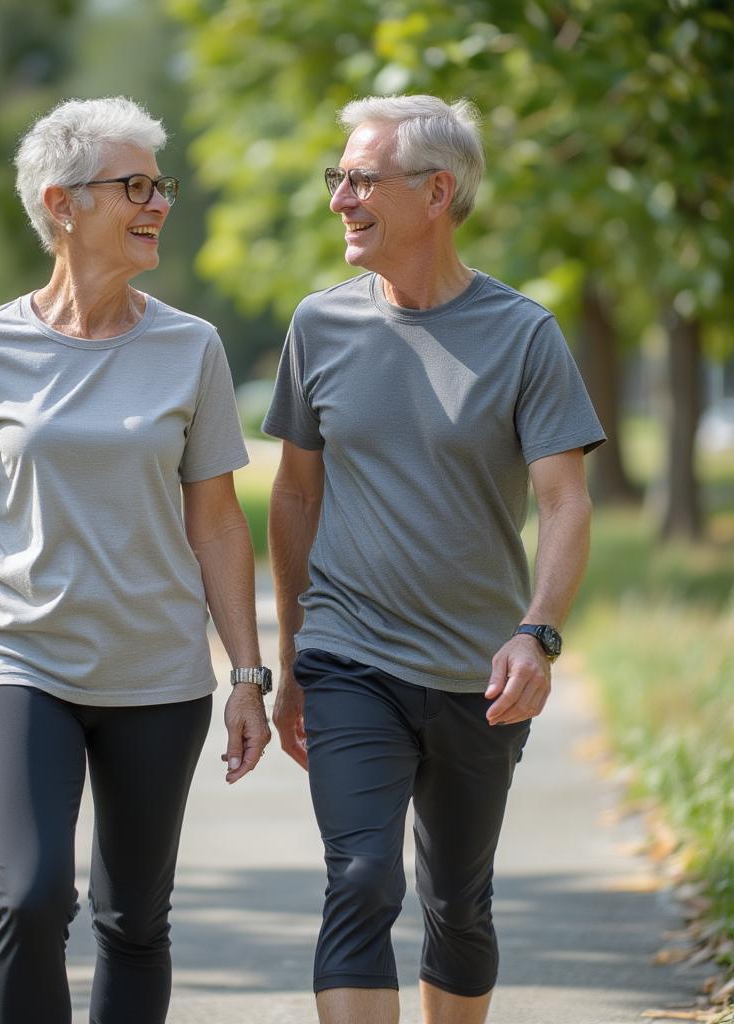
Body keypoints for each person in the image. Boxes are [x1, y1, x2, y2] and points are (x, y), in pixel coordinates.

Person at [0, 96, 271, 1024]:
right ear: (63, 204)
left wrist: (248, 675)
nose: (157, 203)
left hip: (159, 676)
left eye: (160, 185)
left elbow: (220, 524)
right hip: (25, 661)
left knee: (134, 919)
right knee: (29, 900)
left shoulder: (192, 347)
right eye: (134, 185)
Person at [263, 94, 605, 1024]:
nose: (339, 197)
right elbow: (295, 495)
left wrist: (537, 634)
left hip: (477, 670)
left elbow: (564, 500)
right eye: (337, 178)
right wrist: (292, 654)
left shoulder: (524, 334)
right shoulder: (320, 326)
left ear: (437, 193)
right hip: (348, 654)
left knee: (459, 900)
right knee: (362, 878)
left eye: (361, 179)